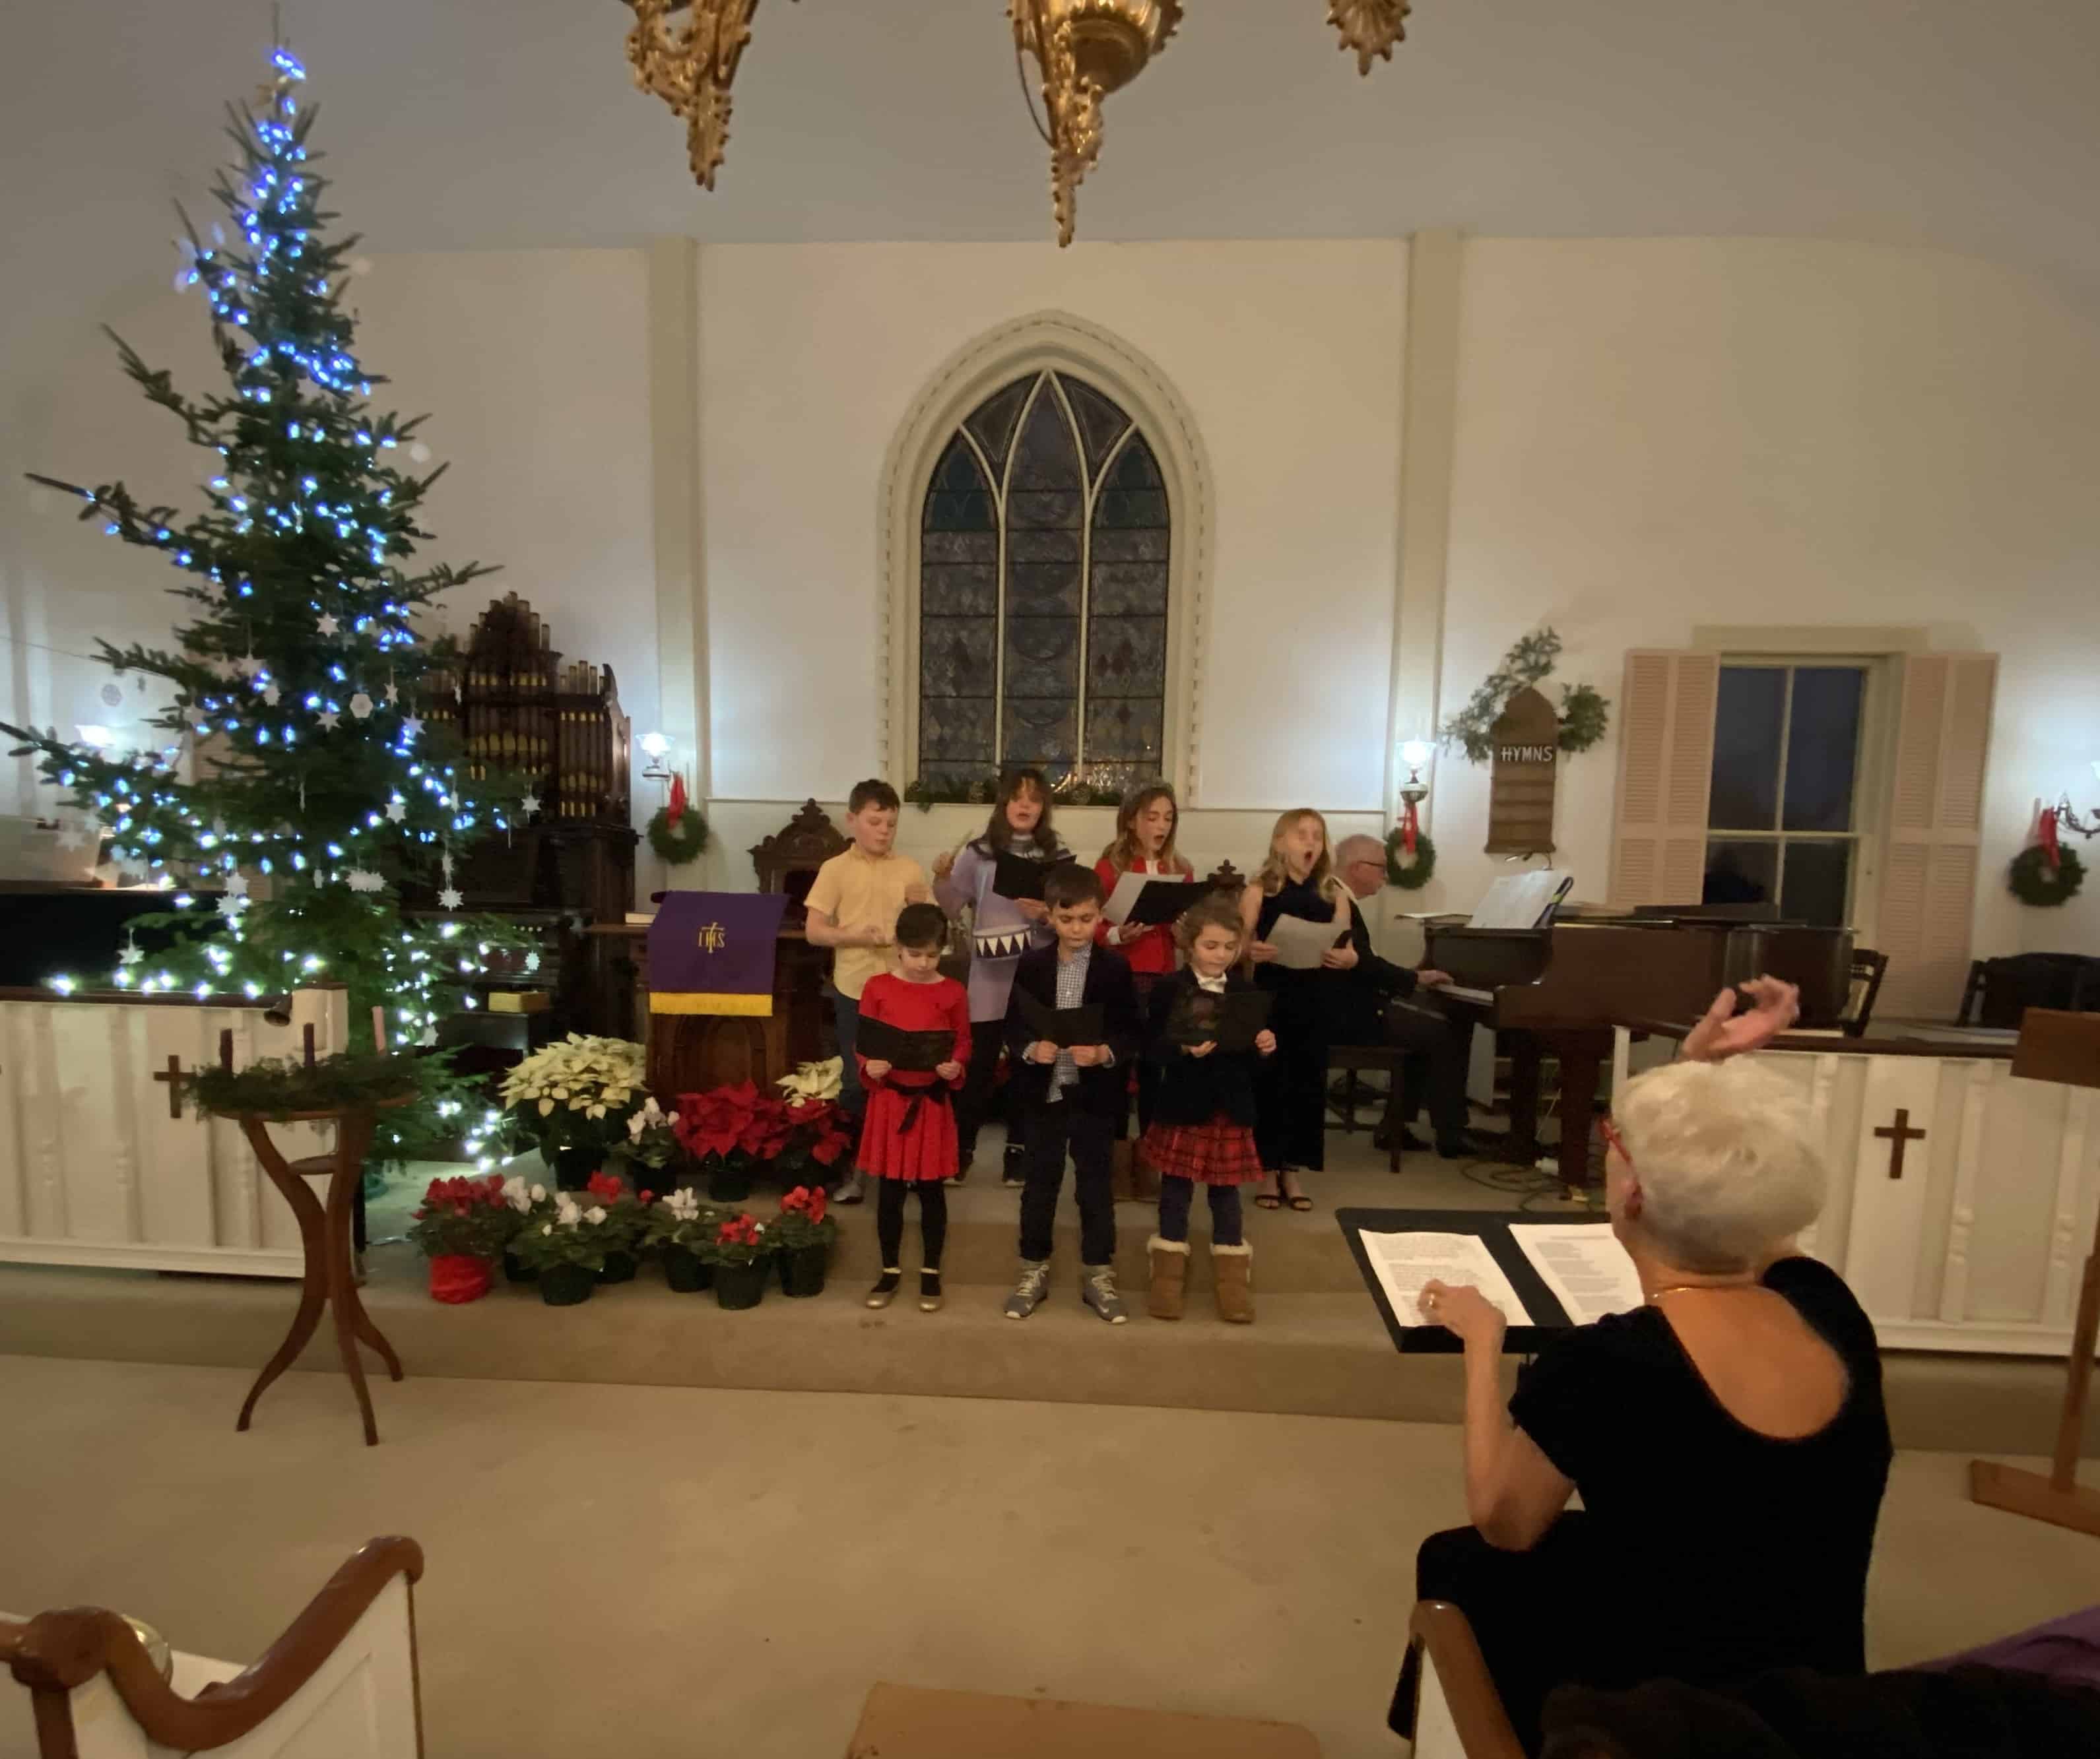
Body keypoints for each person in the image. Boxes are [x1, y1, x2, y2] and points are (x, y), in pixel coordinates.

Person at [1393, 978, 1893, 1756]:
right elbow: (1739, 1198)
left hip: (1668, 1711)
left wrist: (1483, 1339)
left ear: (1630, 1195)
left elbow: (1505, 1520)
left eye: (1613, 1144)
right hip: (1818, 1690)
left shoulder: (1607, 1364)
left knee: (1470, 1560)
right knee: (1457, 1557)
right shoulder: (1826, 1304)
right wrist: (1699, 1070)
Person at [1002, 864, 1141, 1324]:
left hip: (1094, 1097)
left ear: (1100, 916)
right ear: (1050, 917)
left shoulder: (1116, 968)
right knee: (1040, 1184)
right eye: (1067, 919)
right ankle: (1032, 1269)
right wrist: (1030, 1049)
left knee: (1095, 1186)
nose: (1077, 928)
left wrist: (1103, 1052)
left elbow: (1131, 1032)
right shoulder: (1032, 964)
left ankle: (1099, 1274)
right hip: (1044, 1093)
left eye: (1086, 919)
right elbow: (1014, 1025)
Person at [1140, 895, 1277, 1324]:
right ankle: (1167, 1276)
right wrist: (1184, 1049)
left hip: (1230, 1105)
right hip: (1184, 1103)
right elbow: (1151, 1049)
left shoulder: (1246, 992)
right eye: (1211, 946)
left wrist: (1264, 1046)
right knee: (1176, 1191)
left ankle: (1232, 1281)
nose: (1220, 955)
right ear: (1189, 945)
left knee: (1226, 1194)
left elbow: (1253, 1061)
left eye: (1229, 947)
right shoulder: (1170, 988)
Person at [932, 769, 1071, 1186]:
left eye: (1034, 799)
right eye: (1017, 797)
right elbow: (951, 906)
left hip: (1035, 975)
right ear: (1004, 803)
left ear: (1044, 808)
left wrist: (1045, 914)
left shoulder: (1057, 854)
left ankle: (1018, 1155)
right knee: (979, 1066)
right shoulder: (979, 851)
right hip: (989, 975)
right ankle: (962, 1151)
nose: (1025, 805)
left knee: (1028, 1068)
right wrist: (941, 876)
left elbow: (1072, 918)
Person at [803, 779, 929, 1202]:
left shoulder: (909, 869)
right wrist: (855, 936)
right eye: (875, 822)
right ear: (852, 820)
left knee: (907, 1078)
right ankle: (855, 1172)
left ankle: (906, 1168)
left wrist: (920, 907)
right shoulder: (835, 869)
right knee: (857, 1083)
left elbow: (928, 932)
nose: (884, 831)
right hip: (855, 988)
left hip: (903, 989)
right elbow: (814, 931)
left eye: (891, 823)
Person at [1331, 832, 1480, 1159]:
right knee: (1441, 1027)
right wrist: (1414, 978)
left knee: (1430, 1021)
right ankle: (1450, 1133)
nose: (1386, 877)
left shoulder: (1341, 898)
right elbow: (1361, 965)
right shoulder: (1335, 900)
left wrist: (1410, 979)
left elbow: (1364, 964)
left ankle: (1397, 1125)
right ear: (1357, 868)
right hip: (1345, 1016)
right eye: (1381, 868)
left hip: (1353, 1003)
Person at [853, 902, 971, 1313]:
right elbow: (864, 1043)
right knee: (889, 1191)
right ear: (898, 948)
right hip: (890, 1100)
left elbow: (962, 1041)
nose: (924, 964)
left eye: (933, 955)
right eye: (915, 954)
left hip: (931, 1102)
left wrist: (954, 1065)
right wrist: (870, 1065)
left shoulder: (953, 991)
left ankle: (931, 1272)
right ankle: (889, 1270)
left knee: (931, 1190)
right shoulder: (877, 987)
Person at [1241, 808, 1353, 1211]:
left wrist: (1348, 959)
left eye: (1317, 836)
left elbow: (1348, 947)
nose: (1310, 842)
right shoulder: (1261, 889)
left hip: (1314, 996)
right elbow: (1239, 944)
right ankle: (1267, 1170)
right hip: (1272, 995)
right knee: (1271, 1082)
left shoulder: (1334, 892)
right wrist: (1251, 950)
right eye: (1301, 834)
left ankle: (1293, 1170)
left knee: (1307, 1082)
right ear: (1280, 842)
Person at [1094, 781, 1196, 1148]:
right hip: (1122, 974)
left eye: (1168, 818)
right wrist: (1118, 935)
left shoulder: (1180, 868)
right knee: (1120, 1065)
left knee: (1157, 1065)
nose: (1161, 825)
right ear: (1131, 821)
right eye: (1152, 817)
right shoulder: (1110, 867)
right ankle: (1117, 1150)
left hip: (1164, 976)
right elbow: (1090, 926)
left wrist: (1185, 933)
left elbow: (1186, 934)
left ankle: (1152, 1149)